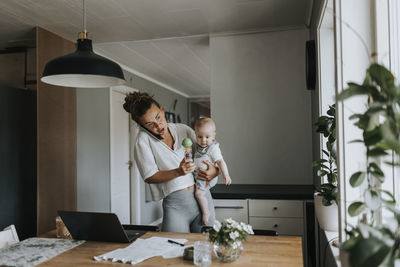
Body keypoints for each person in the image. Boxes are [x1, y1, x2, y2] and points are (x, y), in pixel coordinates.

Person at [123, 92, 219, 233]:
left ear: (162, 110)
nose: (158, 125)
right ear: (141, 125)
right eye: (150, 124)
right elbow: (149, 176)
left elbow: (208, 151)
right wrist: (178, 172)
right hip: (175, 206)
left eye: (158, 117)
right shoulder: (142, 141)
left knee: (205, 247)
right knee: (173, 248)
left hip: (203, 200)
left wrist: (215, 171)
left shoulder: (183, 129)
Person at [193, 118, 231, 225]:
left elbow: (220, 162)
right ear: (195, 135)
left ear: (214, 135)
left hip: (207, 177)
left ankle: (206, 212)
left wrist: (226, 175)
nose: (203, 140)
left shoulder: (213, 148)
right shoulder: (198, 146)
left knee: (199, 193)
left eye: (207, 137)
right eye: (200, 137)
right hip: (199, 175)